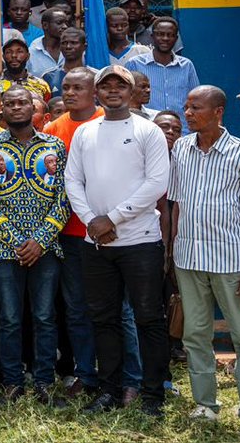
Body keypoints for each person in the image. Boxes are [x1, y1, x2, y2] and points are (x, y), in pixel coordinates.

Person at [63, 65, 170, 418]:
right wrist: (92, 221)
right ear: (97, 92)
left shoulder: (148, 130)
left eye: (119, 86)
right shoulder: (85, 132)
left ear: (131, 91)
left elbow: (155, 184)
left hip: (139, 241)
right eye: (105, 85)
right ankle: (108, 390)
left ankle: (152, 394)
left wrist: (113, 218)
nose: (112, 91)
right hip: (97, 244)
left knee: (148, 319)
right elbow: (72, 181)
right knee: (103, 319)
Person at [170, 85, 240, 436]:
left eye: (196, 107)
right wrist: (171, 252)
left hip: (231, 261)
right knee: (196, 335)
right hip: (189, 258)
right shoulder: (182, 148)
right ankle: (206, 405)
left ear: (217, 112)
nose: (188, 113)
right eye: (186, 106)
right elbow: (177, 204)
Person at [0, 86, 69, 406]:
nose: (17, 108)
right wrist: (17, 242)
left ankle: (43, 381)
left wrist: (39, 241)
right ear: (2, 111)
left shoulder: (54, 145)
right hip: (5, 250)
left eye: (22, 103)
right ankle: (12, 382)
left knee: (44, 317)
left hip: (46, 249)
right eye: (10, 104)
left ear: (34, 108)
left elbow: (64, 199)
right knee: (10, 318)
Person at [43, 69, 105, 400]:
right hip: (68, 233)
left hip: (108, 234)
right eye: (66, 87)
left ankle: (117, 373)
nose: (69, 92)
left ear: (94, 91)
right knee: (76, 308)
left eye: (78, 87)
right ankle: (85, 374)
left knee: (111, 310)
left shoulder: (106, 122)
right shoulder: (53, 129)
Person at [126, 17, 198, 125]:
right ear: (152, 37)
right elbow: (127, 98)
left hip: (181, 131)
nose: (165, 38)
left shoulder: (186, 66)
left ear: (176, 38)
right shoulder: (135, 64)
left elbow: (195, 100)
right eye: (160, 34)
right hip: (147, 129)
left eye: (170, 35)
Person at [0, 37, 51, 101]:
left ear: (28, 56)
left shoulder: (41, 85)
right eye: (9, 52)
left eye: (19, 52)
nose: (14, 55)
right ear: (3, 56)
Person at [41, 28, 98, 95]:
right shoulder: (48, 77)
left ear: (84, 46)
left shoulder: (96, 76)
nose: (68, 46)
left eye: (73, 43)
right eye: (64, 43)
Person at [28, 7, 68, 78]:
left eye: (66, 23)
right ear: (45, 25)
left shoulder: (72, 48)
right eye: (59, 23)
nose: (65, 26)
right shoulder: (31, 53)